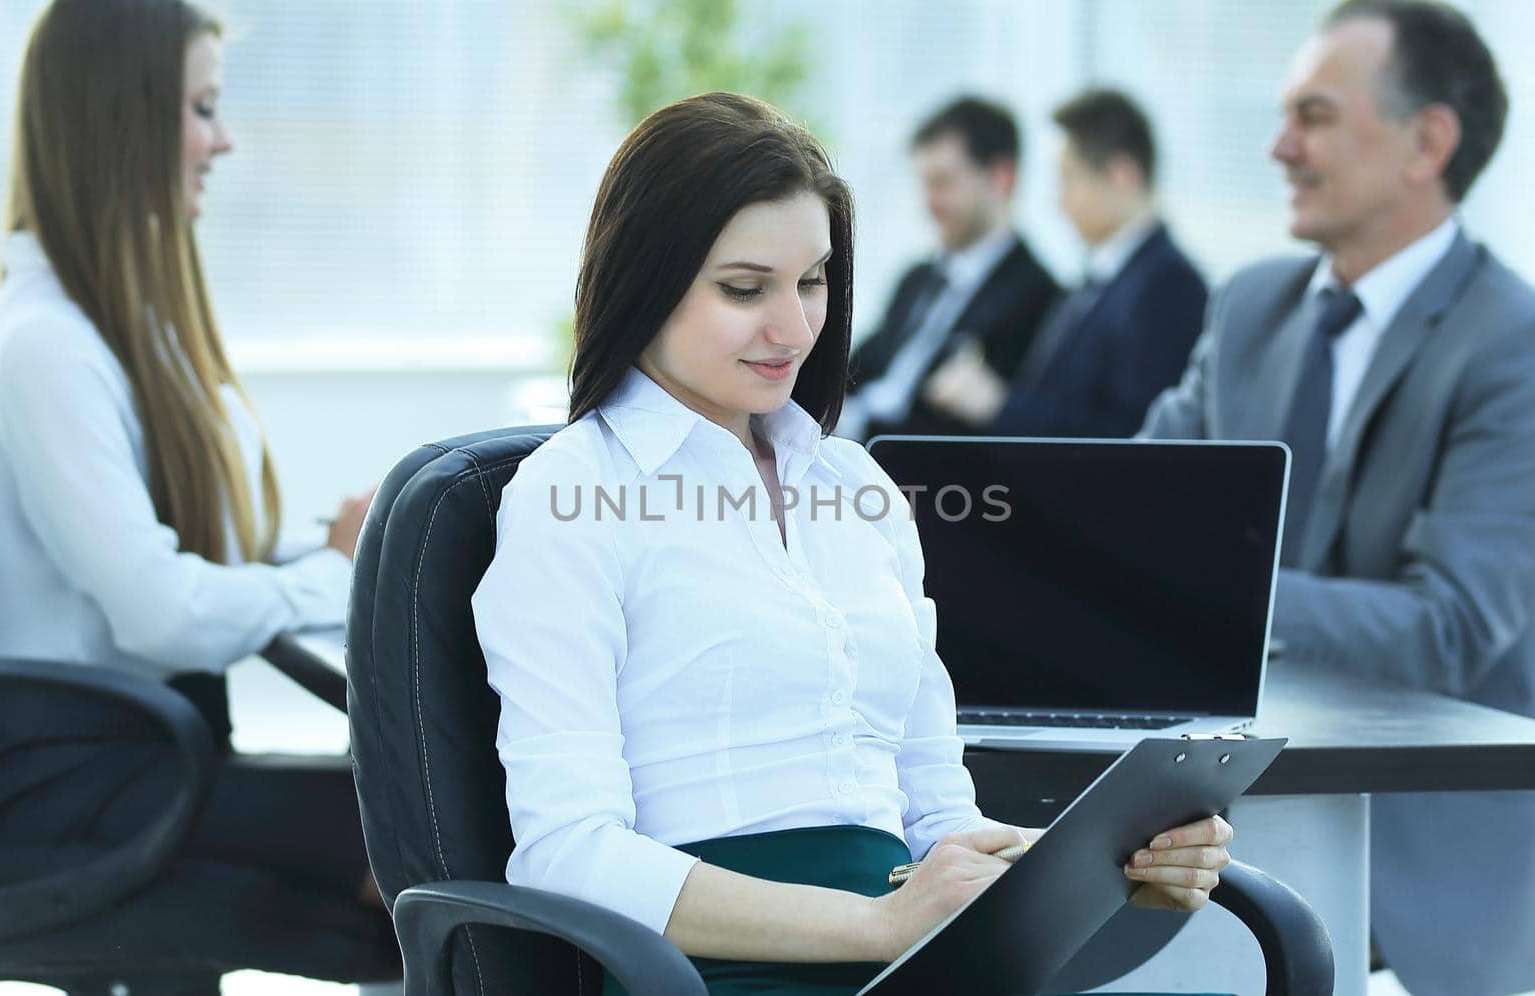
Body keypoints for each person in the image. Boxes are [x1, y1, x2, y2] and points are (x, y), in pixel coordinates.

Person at [472, 92, 1232, 996]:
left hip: (913, 962)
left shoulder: (859, 490)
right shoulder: (572, 492)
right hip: (714, 972)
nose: (794, 329)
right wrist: (876, 923)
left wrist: (1113, 863)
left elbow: (937, 817)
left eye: (815, 281)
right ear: (647, 277)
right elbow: (569, 855)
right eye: (745, 289)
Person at [1139, 2, 1535, 993]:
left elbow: (1450, 628)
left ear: (1428, 142)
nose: (1278, 145)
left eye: (1315, 116)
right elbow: (1140, 512)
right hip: (1245, 837)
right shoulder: (1249, 307)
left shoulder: (1530, 350)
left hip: (1441, 876)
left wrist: (1213, 589)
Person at [0, 0, 395, 985]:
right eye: (202, 106)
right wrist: (338, 574)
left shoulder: (107, 329)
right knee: (427, 831)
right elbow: (162, 611)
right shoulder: (46, 346)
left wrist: (346, 554)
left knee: (420, 824)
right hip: (76, 785)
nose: (224, 138)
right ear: (118, 118)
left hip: (137, 755)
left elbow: (181, 562)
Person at [926, 89, 1207, 438]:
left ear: (1121, 175)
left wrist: (1000, 406)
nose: (1059, 202)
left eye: (1068, 177)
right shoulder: (1104, 278)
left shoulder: (1168, 286)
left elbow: (1133, 436)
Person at [836, 96, 1060, 441]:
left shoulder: (1039, 297)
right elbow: (859, 367)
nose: (929, 203)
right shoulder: (918, 278)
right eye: (924, 184)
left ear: (1001, 178)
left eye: (943, 183)